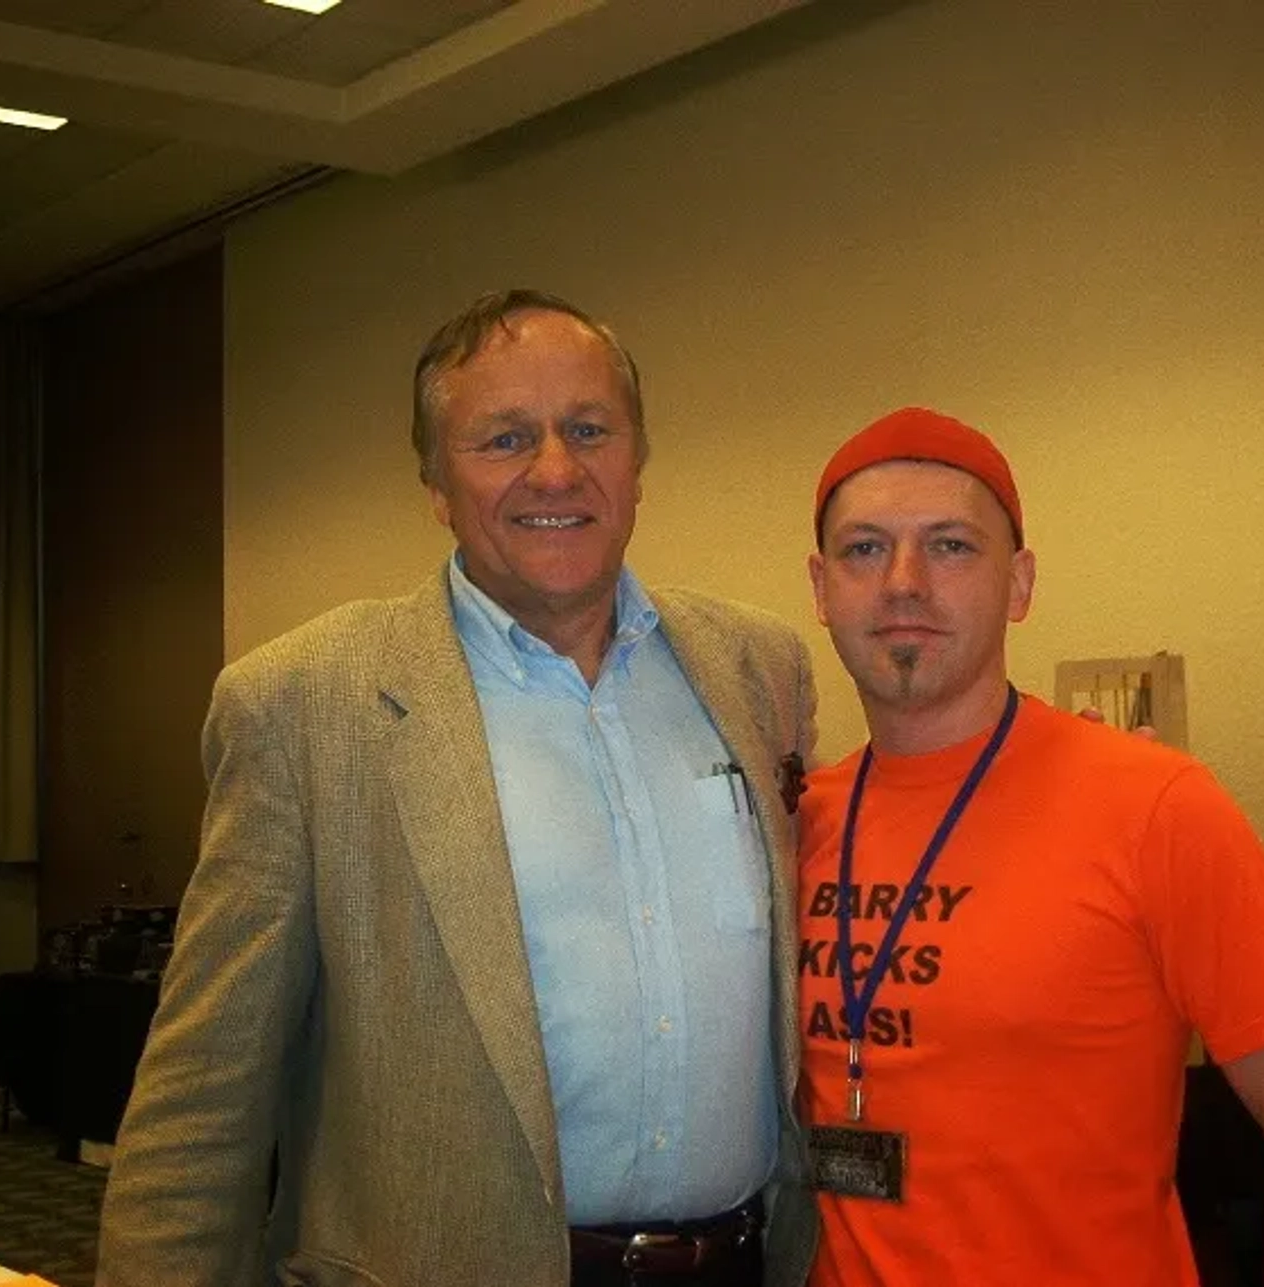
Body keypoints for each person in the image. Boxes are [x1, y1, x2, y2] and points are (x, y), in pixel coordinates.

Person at [99, 290, 818, 1287]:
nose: (555, 469)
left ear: (637, 460)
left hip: (743, 1264)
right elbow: (205, 1089)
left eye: (589, 429)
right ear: (436, 483)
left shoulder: (759, 669)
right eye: (504, 439)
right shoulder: (304, 704)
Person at [795, 408, 1264, 1286]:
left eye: (951, 546)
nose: (903, 582)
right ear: (821, 585)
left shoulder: (1157, 806)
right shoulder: (800, 822)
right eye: (864, 549)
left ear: (1019, 584)